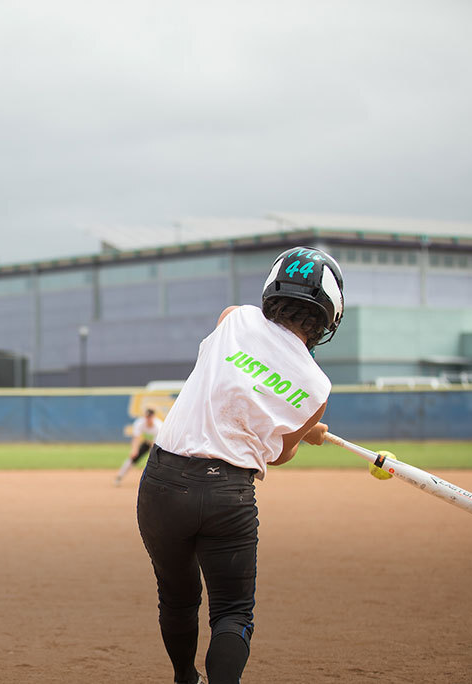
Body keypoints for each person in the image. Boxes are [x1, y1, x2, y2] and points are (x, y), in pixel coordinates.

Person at [137, 246, 345, 684]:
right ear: (330, 313)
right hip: (227, 494)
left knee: (176, 598)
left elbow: (237, 380)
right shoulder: (317, 387)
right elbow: (280, 453)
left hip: (163, 483)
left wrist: (301, 424)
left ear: (273, 287)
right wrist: (306, 430)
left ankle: (183, 679)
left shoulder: (235, 317)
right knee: (232, 612)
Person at [114, 408, 164, 486]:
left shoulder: (159, 426)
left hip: (158, 444)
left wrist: (153, 455)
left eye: (150, 417)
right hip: (146, 442)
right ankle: (119, 477)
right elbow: (136, 438)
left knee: (157, 462)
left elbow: (154, 445)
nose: (148, 419)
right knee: (133, 458)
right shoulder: (140, 423)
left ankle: (159, 482)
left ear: (153, 417)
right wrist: (134, 450)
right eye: (147, 417)